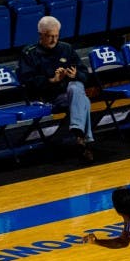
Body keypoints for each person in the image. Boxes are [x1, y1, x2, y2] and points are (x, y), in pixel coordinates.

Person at [17, 15, 94, 161]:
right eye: (49, 36)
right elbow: (27, 81)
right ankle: (84, 139)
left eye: (56, 36)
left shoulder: (66, 48)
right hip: (47, 96)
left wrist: (75, 74)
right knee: (83, 101)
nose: (53, 40)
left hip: (68, 92)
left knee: (76, 86)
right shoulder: (29, 52)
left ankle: (77, 132)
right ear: (41, 35)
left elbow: (85, 74)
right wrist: (51, 80)